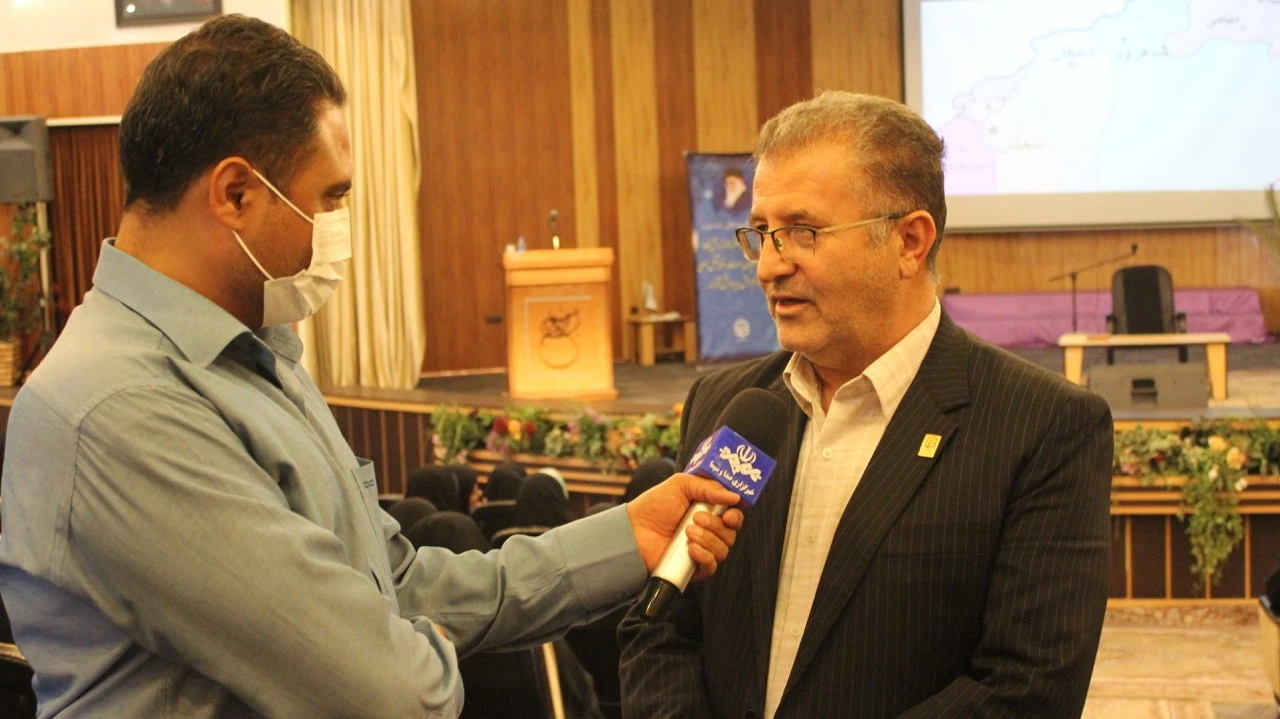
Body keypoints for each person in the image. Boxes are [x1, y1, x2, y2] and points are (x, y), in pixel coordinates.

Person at [0, 16, 743, 718]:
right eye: (329, 198)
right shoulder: (120, 407)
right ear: (235, 193)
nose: (337, 228)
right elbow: (392, 694)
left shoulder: (256, 354)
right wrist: (403, 648)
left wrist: (626, 538)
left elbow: (400, 584)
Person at [618, 91, 1114, 718]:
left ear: (910, 241)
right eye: (762, 233)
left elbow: (1027, 689)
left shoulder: (1042, 426)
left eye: (802, 232)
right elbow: (660, 625)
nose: (769, 266)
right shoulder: (728, 405)